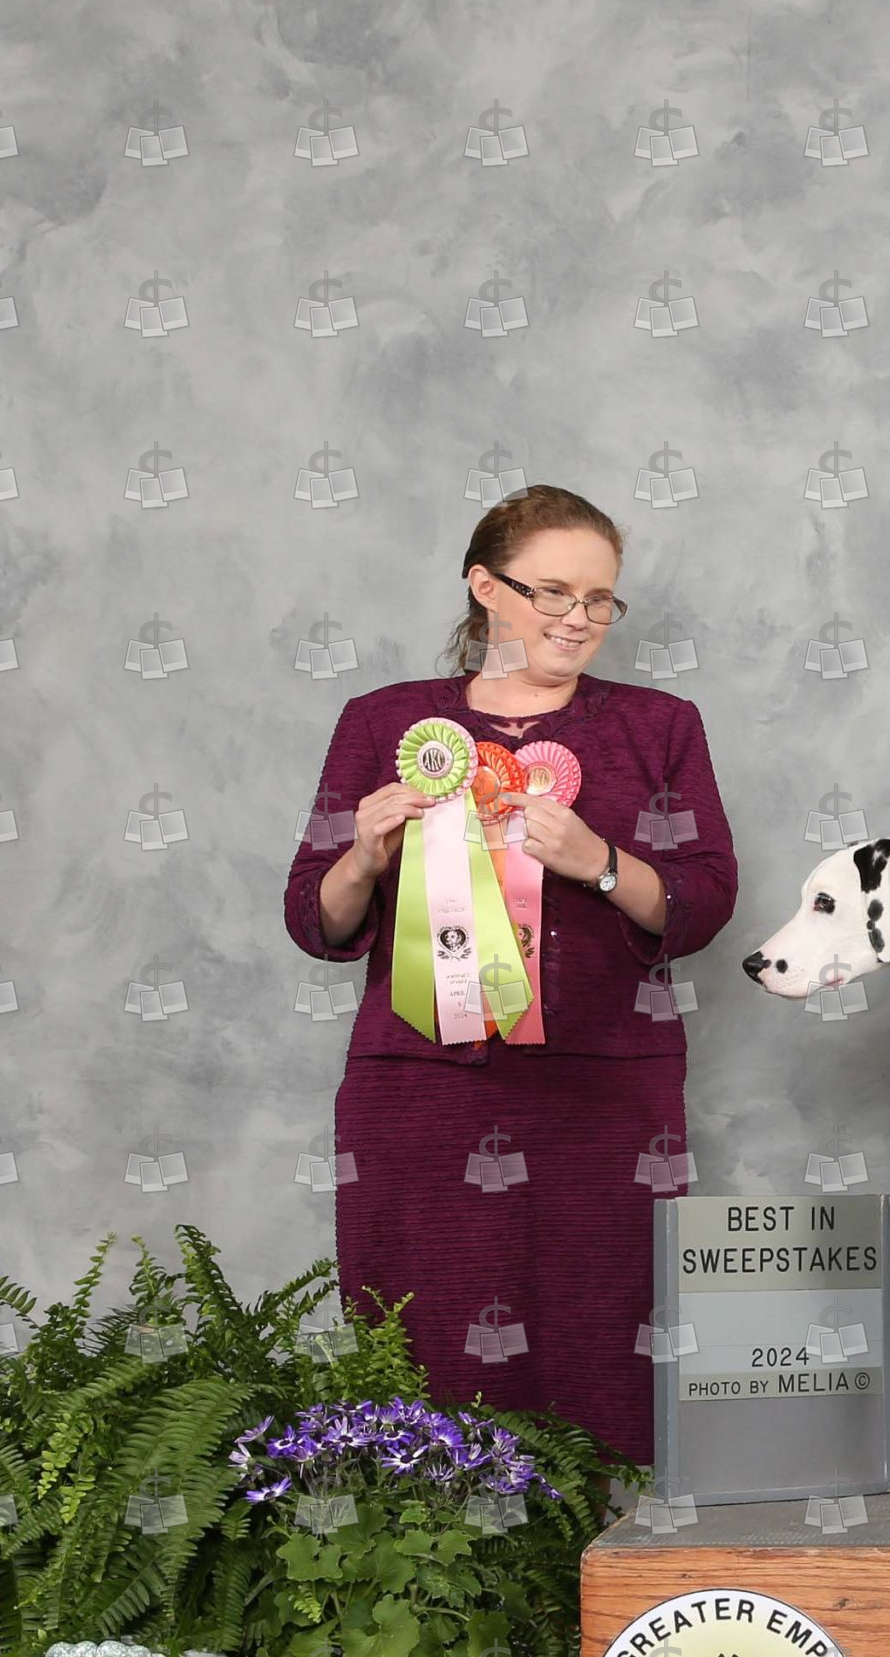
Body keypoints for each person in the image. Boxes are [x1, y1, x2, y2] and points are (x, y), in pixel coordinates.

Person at [282, 483, 736, 1466]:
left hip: (605, 1095)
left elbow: (704, 900)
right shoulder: (383, 723)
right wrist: (361, 854)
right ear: (485, 586)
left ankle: (591, 1552)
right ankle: (434, 1551)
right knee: (419, 1351)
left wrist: (600, 862)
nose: (580, 618)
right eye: (554, 592)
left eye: (600, 598)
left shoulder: (661, 725)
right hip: (421, 1091)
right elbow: (314, 920)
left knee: (603, 1351)